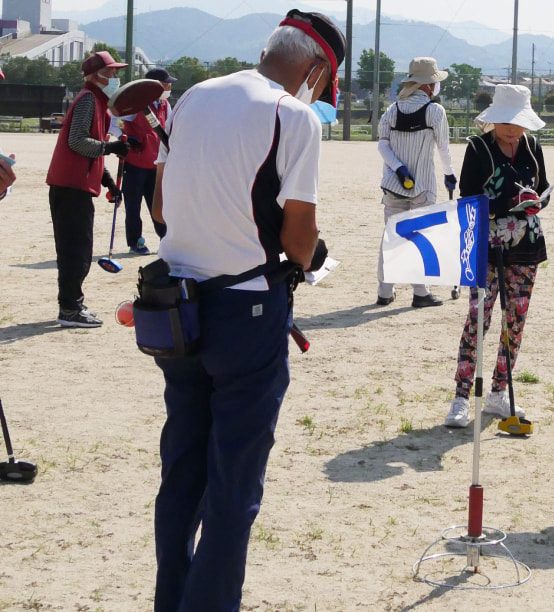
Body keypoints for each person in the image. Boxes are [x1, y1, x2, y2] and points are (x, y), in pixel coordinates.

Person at [149, 10, 344, 611]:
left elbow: (160, 207)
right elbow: (299, 238)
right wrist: (311, 256)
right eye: (324, 82)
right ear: (314, 69)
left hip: (175, 308)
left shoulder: (196, 96)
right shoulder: (294, 115)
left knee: (182, 472)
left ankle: (172, 600)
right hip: (248, 313)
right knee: (234, 485)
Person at [444, 84, 550, 428]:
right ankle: (461, 396)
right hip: (485, 248)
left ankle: (499, 392)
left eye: (517, 122)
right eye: (505, 121)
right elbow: (469, 197)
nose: (511, 129)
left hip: (526, 246)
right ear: (493, 119)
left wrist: (539, 201)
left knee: (514, 323)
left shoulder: (532, 147)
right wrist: (509, 206)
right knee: (478, 320)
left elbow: (543, 186)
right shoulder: (477, 148)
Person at [46, 51, 131, 328]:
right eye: (112, 73)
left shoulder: (95, 101)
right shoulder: (88, 100)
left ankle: (71, 305)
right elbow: (77, 142)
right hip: (71, 187)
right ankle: (70, 309)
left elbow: (88, 148)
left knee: (77, 249)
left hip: (74, 186)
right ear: (97, 76)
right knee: (76, 251)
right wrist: (111, 147)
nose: (116, 78)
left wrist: (107, 182)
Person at [375, 57, 456, 308]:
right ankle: (421, 292)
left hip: (393, 184)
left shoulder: (392, 110)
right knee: (421, 237)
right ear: (429, 86)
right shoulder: (435, 111)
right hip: (423, 185)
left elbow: (382, 144)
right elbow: (443, 147)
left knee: (392, 236)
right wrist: (449, 174)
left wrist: (398, 169)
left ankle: (384, 292)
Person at [113, 67, 175, 254]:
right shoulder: (135, 103)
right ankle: (135, 241)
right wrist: (124, 136)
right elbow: (114, 122)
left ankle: (166, 238)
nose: (169, 86)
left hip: (156, 163)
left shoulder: (165, 105)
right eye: (166, 83)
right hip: (135, 163)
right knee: (133, 206)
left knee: (159, 203)